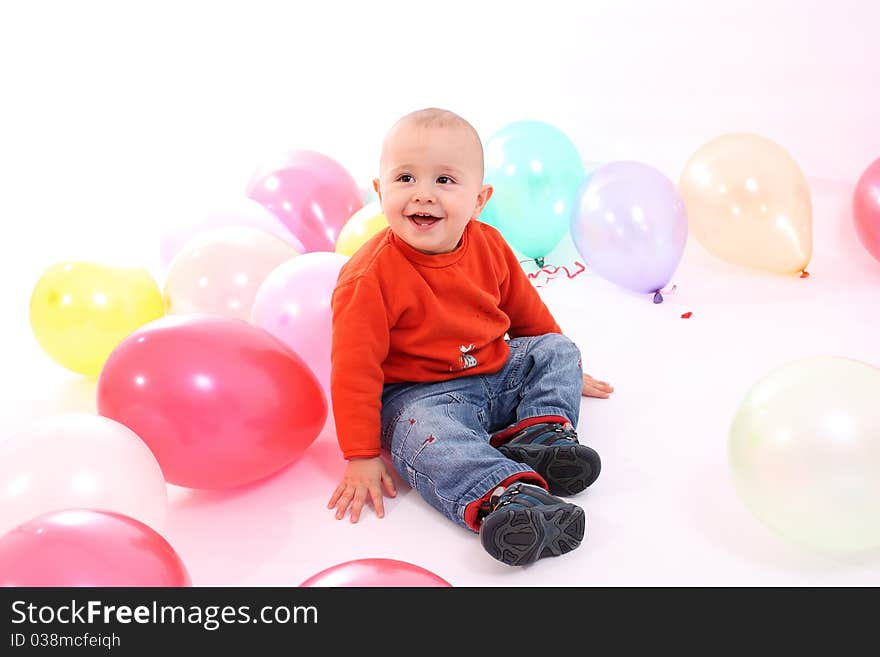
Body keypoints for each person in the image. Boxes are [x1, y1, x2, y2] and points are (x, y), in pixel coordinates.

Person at [327, 108, 613, 566]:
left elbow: (527, 315)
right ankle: (511, 497)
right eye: (405, 178)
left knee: (557, 349)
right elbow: (354, 370)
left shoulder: (490, 243)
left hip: (495, 371)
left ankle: (542, 434)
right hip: (420, 398)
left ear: (479, 200)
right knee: (426, 436)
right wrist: (360, 454)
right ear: (379, 192)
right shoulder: (368, 278)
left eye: (444, 180)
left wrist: (563, 373)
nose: (423, 194)